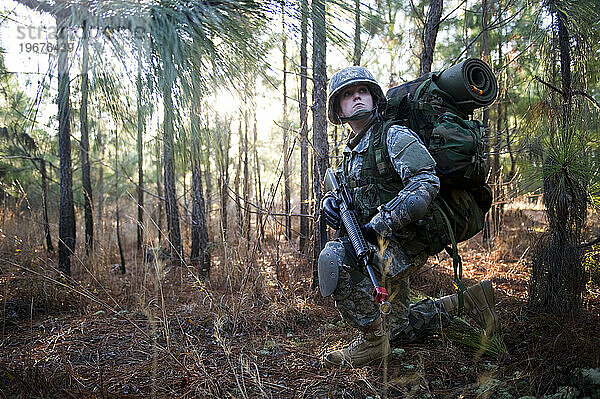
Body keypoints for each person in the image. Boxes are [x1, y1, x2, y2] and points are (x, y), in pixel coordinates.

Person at [318, 66, 500, 367]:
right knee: (398, 326)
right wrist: (329, 202)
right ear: (338, 109)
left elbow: (425, 182)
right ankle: (468, 302)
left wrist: (381, 223)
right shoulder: (352, 152)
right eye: (348, 95)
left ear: (375, 98)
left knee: (333, 257)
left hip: (401, 242)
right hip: (379, 245)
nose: (357, 98)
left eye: (362, 91)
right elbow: (343, 191)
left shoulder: (393, 135)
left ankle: (372, 343)